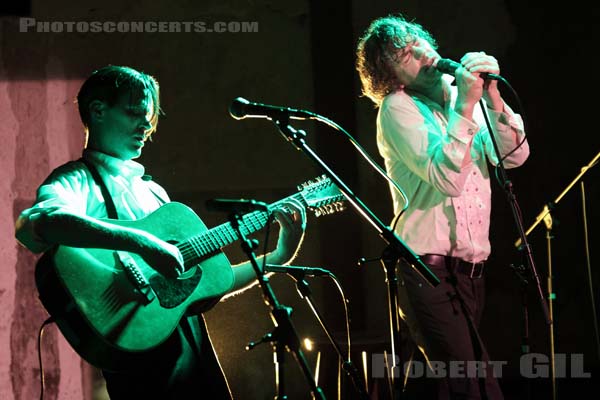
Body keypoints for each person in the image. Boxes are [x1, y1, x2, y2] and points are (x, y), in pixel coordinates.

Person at [14, 65, 307, 399]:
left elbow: (207, 285)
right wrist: (141, 242)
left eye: (148, 116)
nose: (145, 125)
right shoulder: (76, 180)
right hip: (139, 363)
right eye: (134, 113)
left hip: (192, 350)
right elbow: (42, 220)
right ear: (97, 111)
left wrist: (279, 255)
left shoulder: (155, 194)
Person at [356, 14, 529, 399]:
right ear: (393, 77)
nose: (422, 52)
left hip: (471, 275)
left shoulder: (458, 96)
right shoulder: (397, 108)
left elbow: (514, 156)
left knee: (450, 388)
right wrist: (466, 107)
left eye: (419, 41)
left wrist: (492, 97)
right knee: (476, 387)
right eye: (406, 54)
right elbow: (448, 178)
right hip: (427, 273)